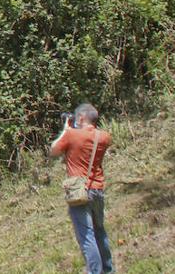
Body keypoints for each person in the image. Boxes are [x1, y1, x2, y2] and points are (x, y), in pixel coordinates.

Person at [50, 103, 114, 274]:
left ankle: (94, 271)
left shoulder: (71, 135)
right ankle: (108, 270)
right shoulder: (104, 137)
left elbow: (53, 151)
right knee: (100, 231)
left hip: (79, 191)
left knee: (87, 237)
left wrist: (66, 129)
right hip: (98, 188)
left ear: (81, 118)